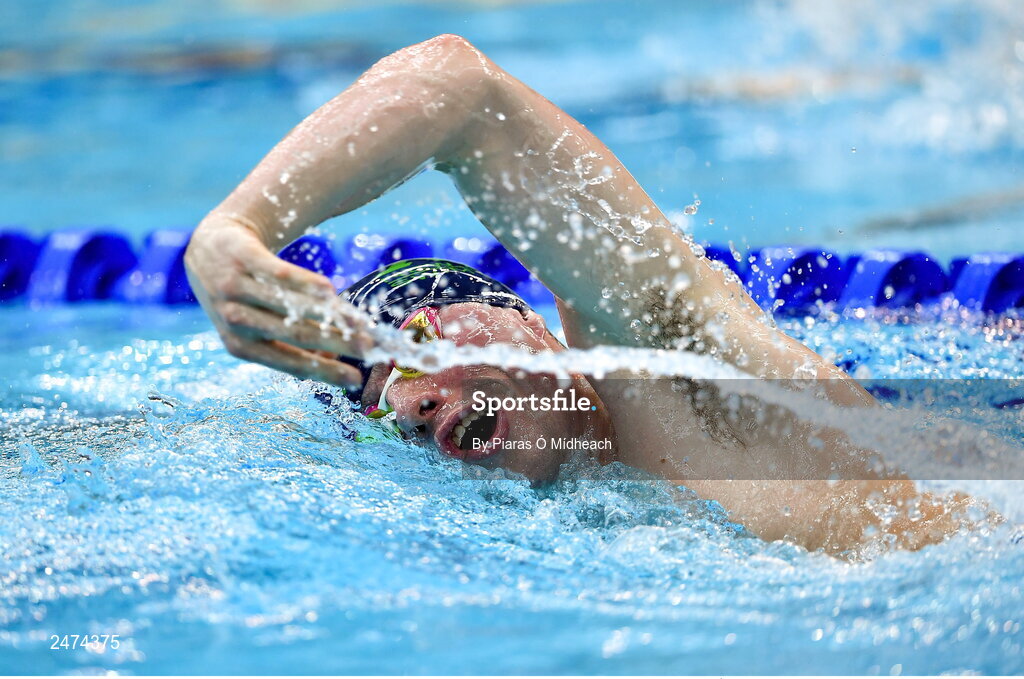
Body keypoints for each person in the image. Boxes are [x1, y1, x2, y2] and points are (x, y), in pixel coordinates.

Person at [185, 34, 975, 557]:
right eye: (383, 409)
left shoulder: (669, 360)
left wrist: (235, 225)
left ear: (523, 318)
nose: (411, 408)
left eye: (419, 342)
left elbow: (462, 89)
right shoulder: (555, 541)